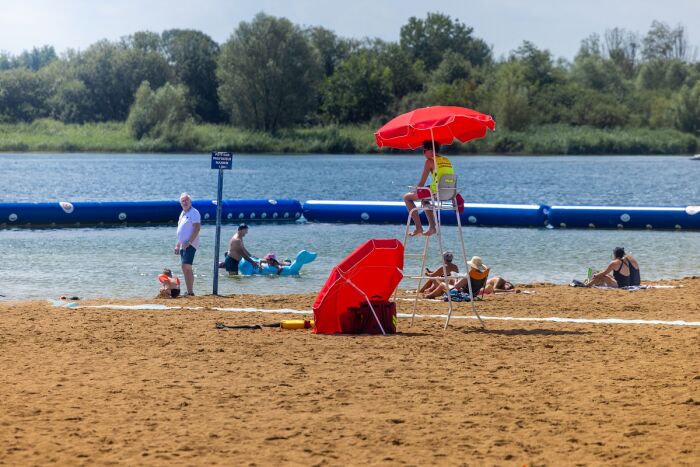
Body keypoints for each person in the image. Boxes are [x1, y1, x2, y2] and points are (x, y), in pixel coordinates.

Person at [403, 140, 454, 237]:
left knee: (407, 197)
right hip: (449, 192)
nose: (423, 153)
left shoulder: (429, 161)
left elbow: (421, 183)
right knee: (424, 199)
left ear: (431, 150)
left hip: (436, 192)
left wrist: (414, 190)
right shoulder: (446, 160)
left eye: (424, 150)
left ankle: (418, 227)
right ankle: (432, 227)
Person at [424, 256, 490, 299]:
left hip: (464, 293)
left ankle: (430, 295)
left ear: (472, 265)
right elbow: (483, 285)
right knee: (451, 280)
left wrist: (456, 279)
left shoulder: (470, 274)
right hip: (474, 293)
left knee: (442, 285)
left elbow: (456, 286)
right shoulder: (483, 275)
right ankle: (440, 293)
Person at [174, 192, 200, 296]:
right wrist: (177, 245)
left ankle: (190, 292)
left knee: (186, 266)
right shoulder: (182, 213)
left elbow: (197, 228)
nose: (185, 202)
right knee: (185, 268)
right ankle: (189, 291)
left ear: (190, 202)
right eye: (183, 201)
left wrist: (189, 242)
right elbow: (180, 231)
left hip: (190, 244)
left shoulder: (194, 212)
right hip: (182, 244)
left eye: (186, 200)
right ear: (181, 203)